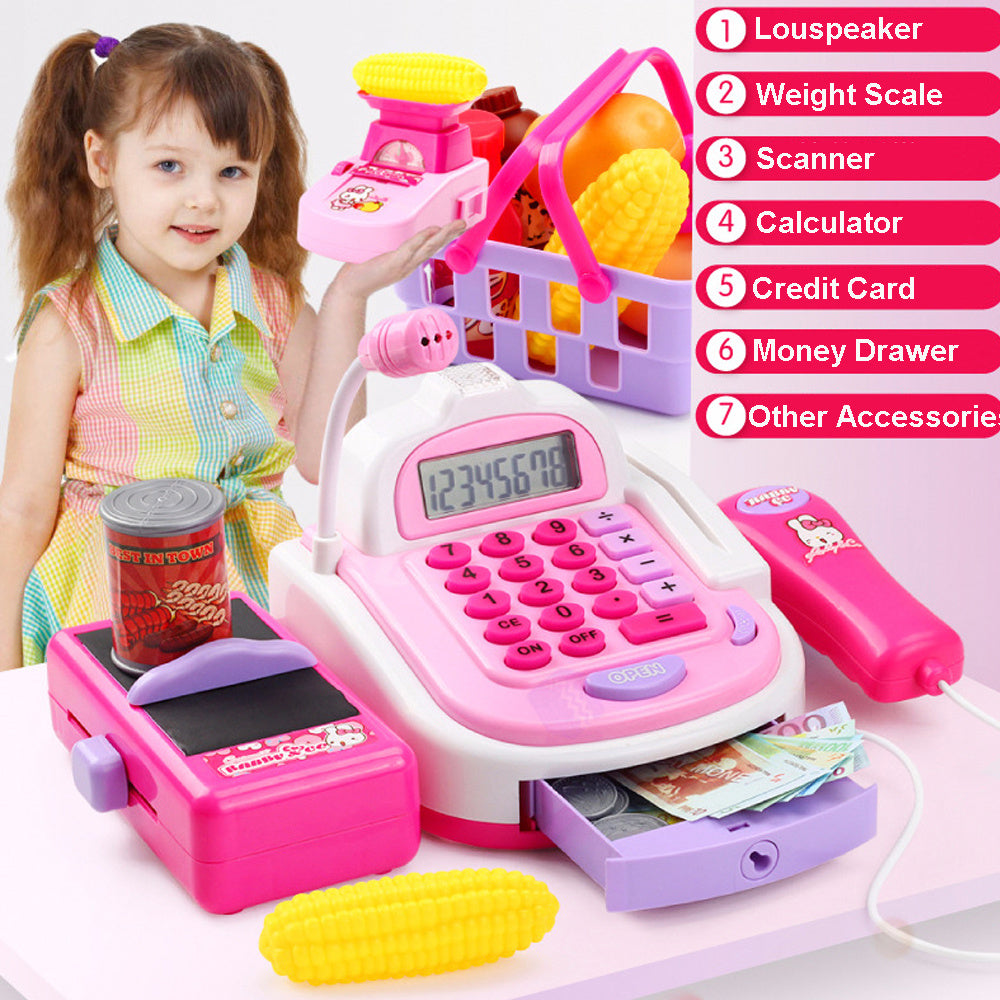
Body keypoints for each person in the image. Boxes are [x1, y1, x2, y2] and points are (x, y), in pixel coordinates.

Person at [0, 24, 462, 669]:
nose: (203, 198)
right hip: (117, 590)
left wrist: (348, 297)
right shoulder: (70, 322)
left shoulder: (270, 303)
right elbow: (22, 506)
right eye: (169, 166)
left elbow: (326, 461)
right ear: (101, 161)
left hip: (257, 578)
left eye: (232, 170)